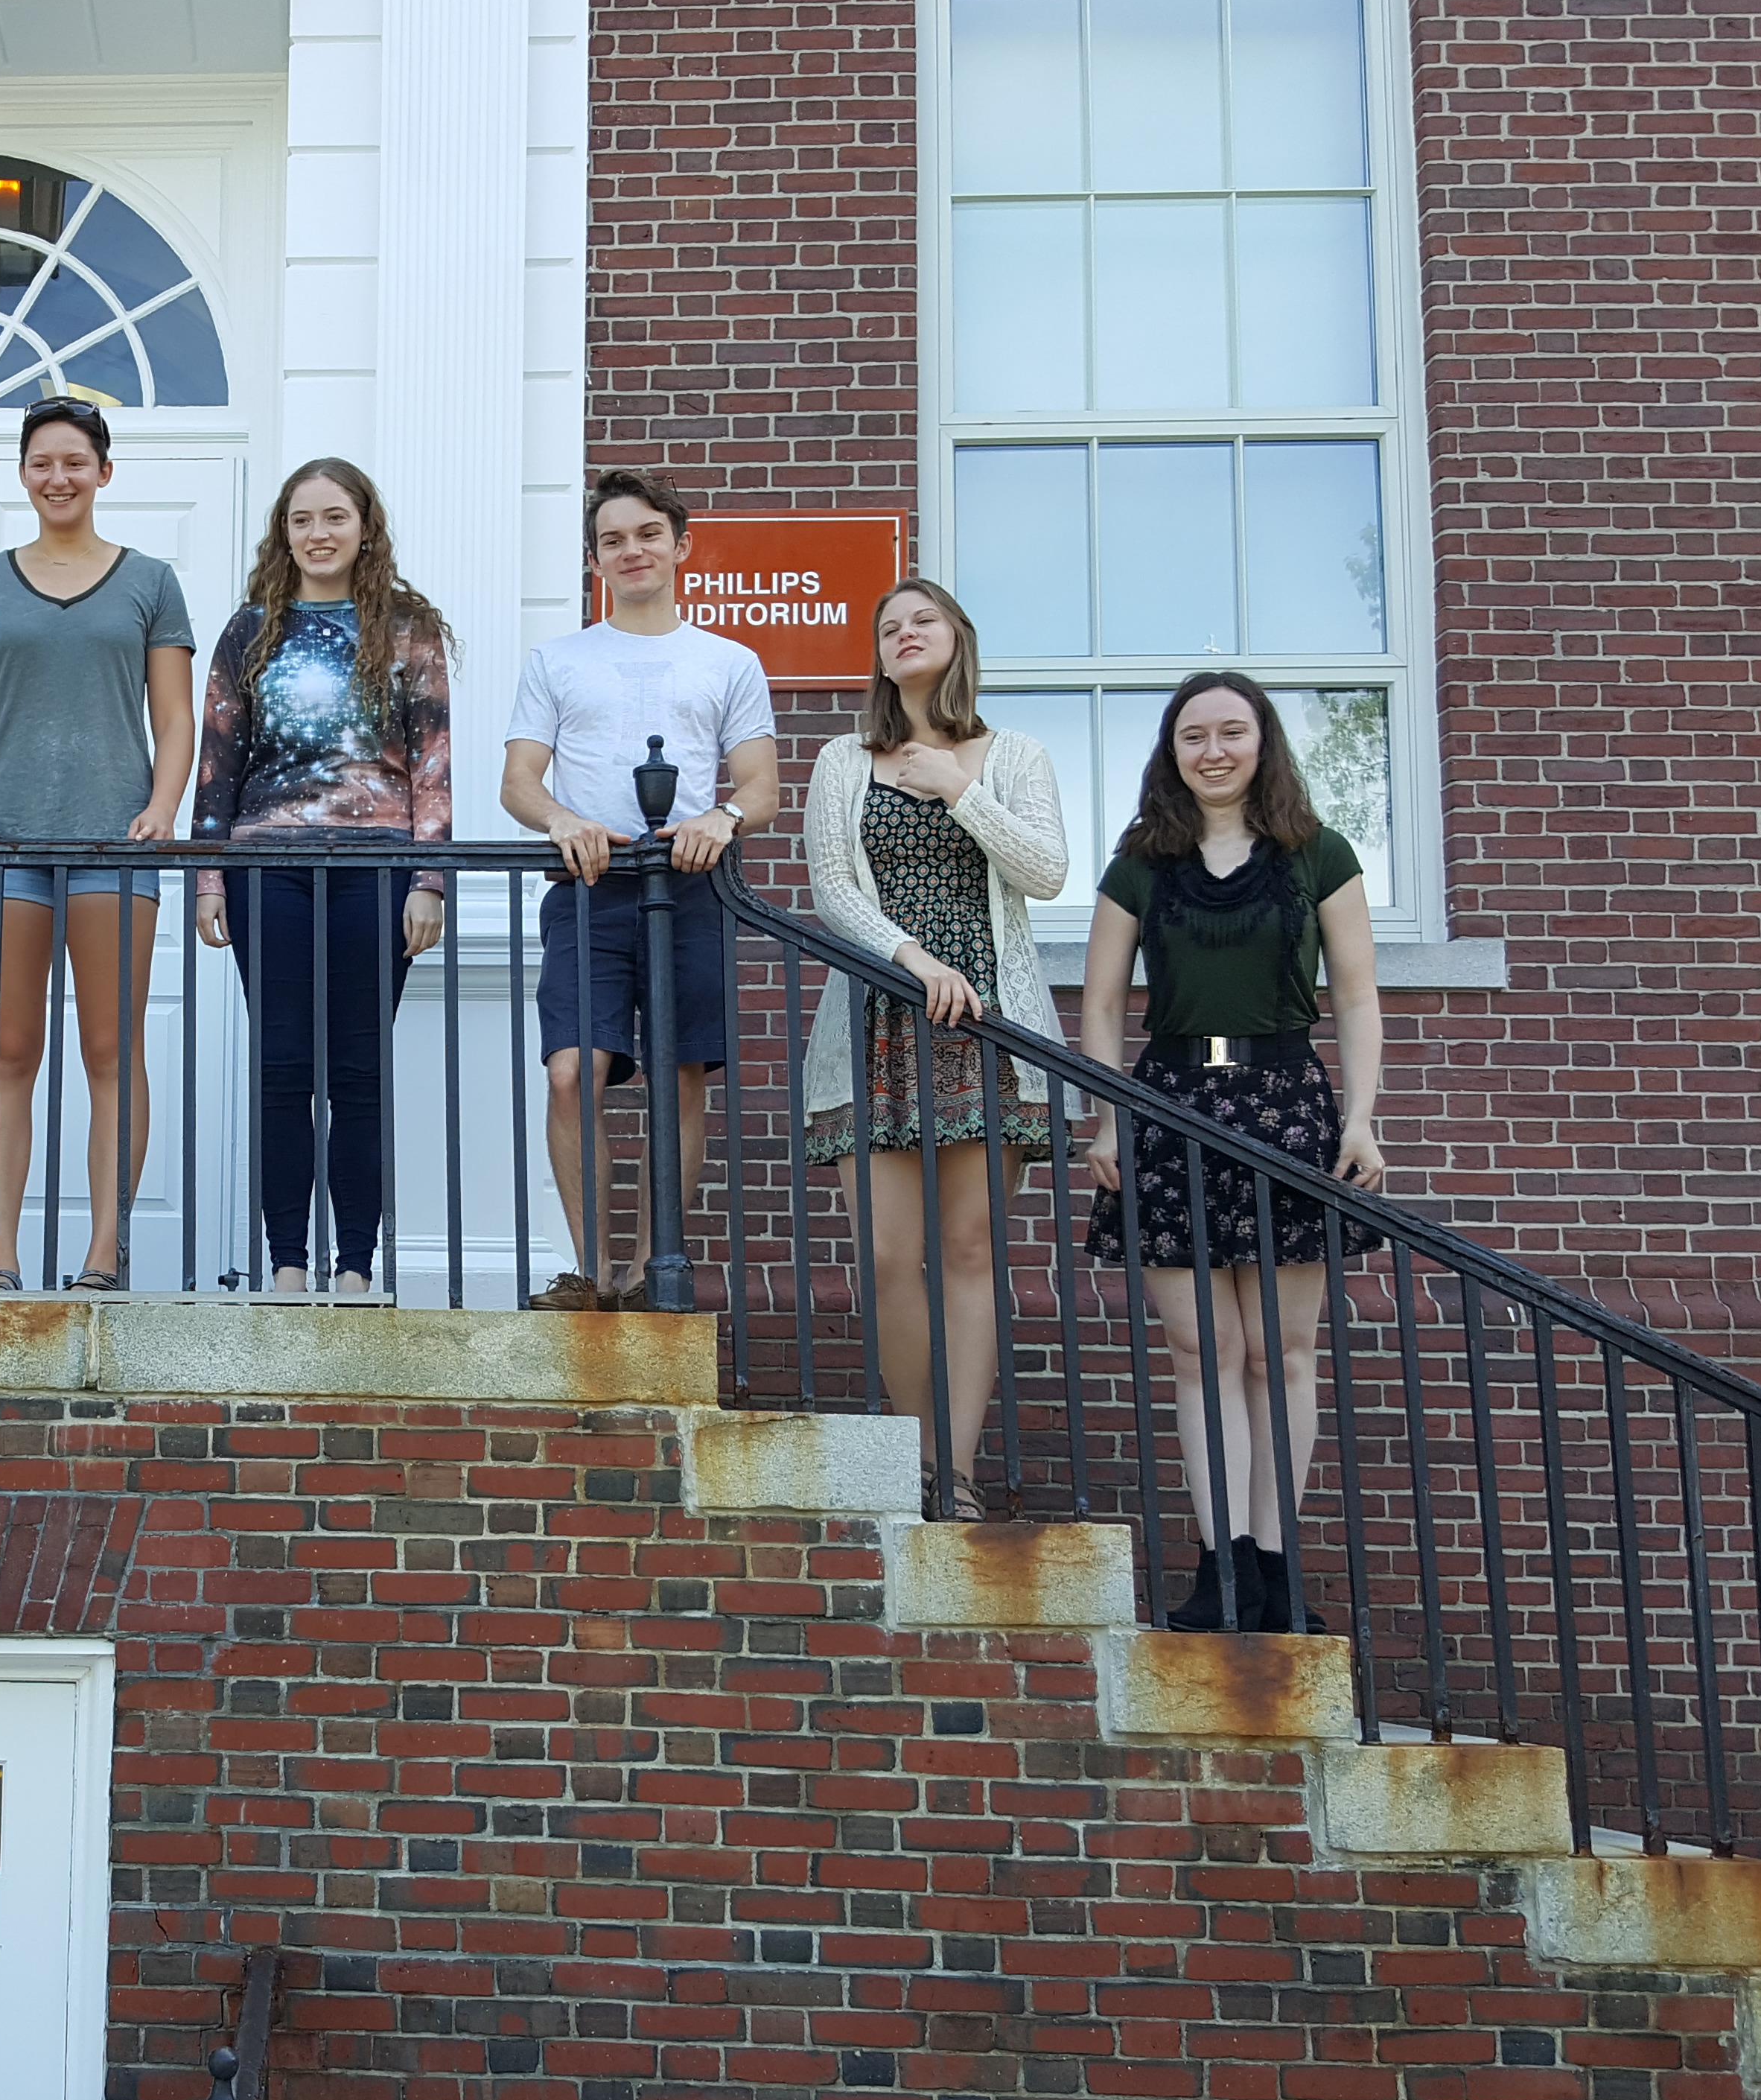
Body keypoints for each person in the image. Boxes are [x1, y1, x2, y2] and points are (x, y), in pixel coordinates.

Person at [1077, 671, 1387, 1635]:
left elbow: (1357, 994)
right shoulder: (1141, 862)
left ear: (1263, 743)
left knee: (1281, 1353)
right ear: (1171, 751)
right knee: (1201, 1351)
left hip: (1287, 1103)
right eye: (1193, 736)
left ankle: (1275, 1570)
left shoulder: (1317, 853)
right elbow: (1100, 1003)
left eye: (1230, 733)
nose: (1212, 751)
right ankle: (1220, 1568)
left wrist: (1360, 1118)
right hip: (1167, 1106)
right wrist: (1107, 1117)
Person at [800, 577, 1069, 1511]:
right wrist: (912, 960)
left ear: (958, 638)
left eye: (922, 621)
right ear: (878, 657)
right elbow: (832, 890)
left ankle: (953, 1473)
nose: (904, 634)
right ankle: (917, 1457)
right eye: (888, 627)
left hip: (987, 1027)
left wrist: (959, 788)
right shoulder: (842, 759)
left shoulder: (1015, 756)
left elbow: (1045, 871)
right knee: (884, 1257)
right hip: (875, 1019)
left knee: (966, 1251)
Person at [0, 395, 197, 1292]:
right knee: (7, 1052)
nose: (58, 477)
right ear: (22, 473)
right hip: (1, 841)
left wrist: (162, 806)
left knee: (110, 1052)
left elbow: (174, 717)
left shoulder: (150, 580)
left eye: (75, 461)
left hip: (114, 841)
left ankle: (102, 1255)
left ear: (103, 472)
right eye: (41, 462)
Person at [499, 468, 778, 1311]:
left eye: (648, 534)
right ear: (594, 559)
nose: (632, 551)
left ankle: (657, 1270)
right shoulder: (557, 659)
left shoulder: (728, 661)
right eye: (612, 540)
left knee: (679, 1076)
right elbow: (518, 781)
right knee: (569, 1073)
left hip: (688, 887)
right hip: (588, 885)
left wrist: (722, 818)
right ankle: (592, 1273)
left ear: (680, 545)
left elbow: (761, 786)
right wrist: (561, 820)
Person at [189, 458, 452, 1296]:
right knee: (281, 1070)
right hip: (266, 867)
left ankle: (355, 1267)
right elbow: (217, 762)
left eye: (335, 517)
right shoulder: (250, 630)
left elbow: (433, 761)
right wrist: (208, 877)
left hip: (376, 868)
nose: (318, 533)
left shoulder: (407, 627)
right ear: (284, 533)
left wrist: (429, 878)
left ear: (365, 527)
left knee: (358, 1074)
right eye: (301, 520)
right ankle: (287, 1265)